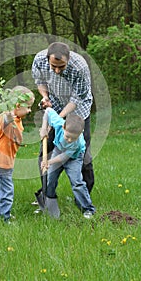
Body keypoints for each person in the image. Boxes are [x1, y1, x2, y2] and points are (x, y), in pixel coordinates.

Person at [32, 42, 94, 200]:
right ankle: (47, 194)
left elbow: (76, 99)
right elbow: (40, 83)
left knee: (81, 152)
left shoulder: (79, 67)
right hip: (55, 103)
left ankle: (84, 194)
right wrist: (45, 98)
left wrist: (58, 119)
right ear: (47, 59)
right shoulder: (39, 60)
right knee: (45, 153)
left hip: (78, 109)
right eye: (54, 66)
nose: (57, 70)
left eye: (62, 66)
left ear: (69, 59)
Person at [39, 107, 96, 219]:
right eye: (68, 136)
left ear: (81, 133)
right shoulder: (59, 123)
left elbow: (64, 157)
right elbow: (48, 111)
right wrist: (44, 128)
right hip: (58, 150)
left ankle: (88, 209)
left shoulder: (78, 143)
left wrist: (48, 161)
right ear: (63, 127)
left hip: (74, 158)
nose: (69, 140)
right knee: (50, 178)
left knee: (77, 182)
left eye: (73, 138)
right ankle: (49, 205)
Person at [0, 86, 35, 223]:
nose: (29, 110)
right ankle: (2, 218)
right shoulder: (6, 118)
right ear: (17, 105)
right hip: (2, 162)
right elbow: (13, 134)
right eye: (28, 107)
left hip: (3, 161)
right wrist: (8, 119)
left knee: (3, 190)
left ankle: (2, 214)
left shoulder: (16, 119)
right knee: (6, 193)